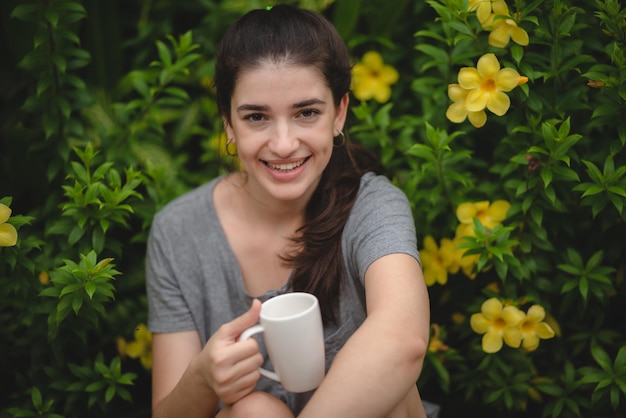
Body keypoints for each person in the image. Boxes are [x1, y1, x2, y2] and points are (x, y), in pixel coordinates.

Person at [146, 4, 431, 417]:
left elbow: (403, 340)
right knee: (252, 411)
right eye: (257, 117)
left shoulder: (372, 206)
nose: (283, 144)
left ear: (339, 112)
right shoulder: (179, 231)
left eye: (306, 113)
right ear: (228, 123)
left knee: (394, 393)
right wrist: (203, 379)